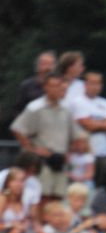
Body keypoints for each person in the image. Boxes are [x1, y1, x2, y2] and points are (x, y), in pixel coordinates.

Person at [10, 71, 84, 199]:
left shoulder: (66, 109)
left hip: (60, 159)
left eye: (59, 85)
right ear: (46, 87)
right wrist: (31, 150)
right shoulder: (35, 108)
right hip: (42, 161)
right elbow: (18, 129)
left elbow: (76, 135)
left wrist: (70, 152)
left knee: (58, 195)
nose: (58, 88)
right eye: (54, 85)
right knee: (41, 195)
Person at [70, 70, 106, 185]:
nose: (96, 86)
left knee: (103, 183)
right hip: (85, 151)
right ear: (85, 84)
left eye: (98, 83)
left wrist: (95, 123)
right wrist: (104, 123)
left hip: (103, 150)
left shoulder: (105, 103)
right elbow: (87, 124)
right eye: (92, 83)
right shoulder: (78, 102)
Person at [12, 50, 57, 117]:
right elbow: (17, 110)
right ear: (38, 66)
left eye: (51, 64)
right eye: (45, 64)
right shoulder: (27, 86)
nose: (48, 68)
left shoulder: (60, 86)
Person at [0, 168, 30, 233]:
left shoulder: (23, 200)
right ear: (8, 183)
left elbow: (25, 220)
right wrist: (10, 226)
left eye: (22, 181)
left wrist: (21, 227)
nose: (19, 184)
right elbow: (12, 225)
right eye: (15, 180)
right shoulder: (3, 199)